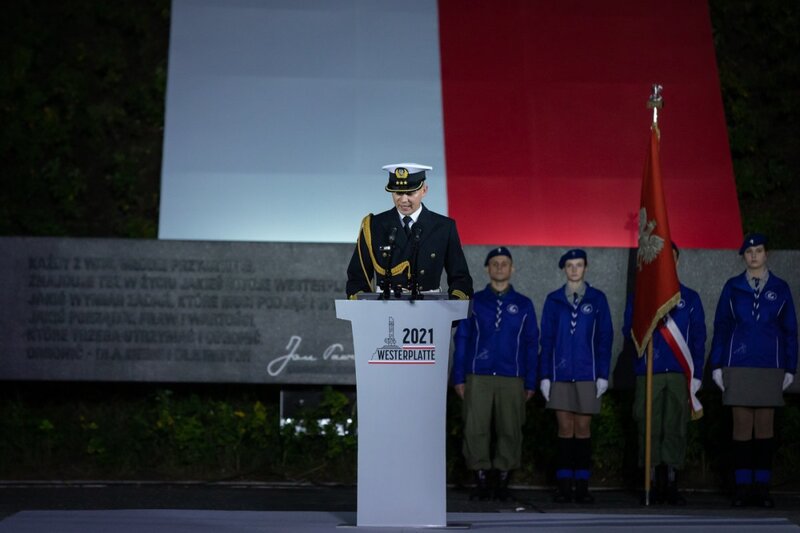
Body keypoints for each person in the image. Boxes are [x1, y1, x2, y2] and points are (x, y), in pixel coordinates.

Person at [710, 233, 797, 508]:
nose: (754, 256)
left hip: (769, 365)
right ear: (744, 257)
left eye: (759, 251)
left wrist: (790, 367)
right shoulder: (733, 287)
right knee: (742, 427)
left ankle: (762, 487)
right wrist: (716, 365)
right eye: (749, 252)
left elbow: (790, 331)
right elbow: (722, 326)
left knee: (764, 428)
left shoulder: (781, 288)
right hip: (738, 364)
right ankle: (742, 487)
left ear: (766, 254)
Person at [451, 247, 539, 501]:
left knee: (510, 429)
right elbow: (463, 339)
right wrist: (459, 376)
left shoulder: (524, 304)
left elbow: (532, 343)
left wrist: (530, 380)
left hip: (512, 376)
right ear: (488, 268)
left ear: (512, 269)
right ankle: (480, 478)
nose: (500, 267)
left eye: (504, 263)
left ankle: (502, 479)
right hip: (478, 375)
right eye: (495, 263)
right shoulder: (475, 302)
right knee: (475, 428)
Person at [622, 242, 706, 505]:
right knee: (649, 425)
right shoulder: (640, 297)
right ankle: (649, 481)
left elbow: (699, 338)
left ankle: (669, 481)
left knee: (674, 426)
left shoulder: (690, 298)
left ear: (677, 262)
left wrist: (697, 373)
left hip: (678, 372)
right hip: (650, 372)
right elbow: (629, 332)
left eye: (672, 258)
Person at [539, 249, 613, 503]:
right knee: (564, 428)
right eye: (569, 265)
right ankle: (564, 484)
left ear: (585, 268)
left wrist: (603, 373)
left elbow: (605, 338)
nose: (574, 269)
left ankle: (581, 483)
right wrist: (545, 375)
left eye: (578, 265)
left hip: (586, 373)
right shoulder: (553, 300)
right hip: (559, 373)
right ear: (564, 269)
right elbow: (546, 339)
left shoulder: (597, 299)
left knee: (582, 428)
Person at [345, 163, 473, 300]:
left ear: (424, 190)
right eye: (398, 193)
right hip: (384, 308)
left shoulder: (444, 227)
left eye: (411, 193)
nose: (404, 200)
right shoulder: (373, 225)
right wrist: (364, 306)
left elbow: (460, 277)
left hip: (430, 309)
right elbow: (358, 277)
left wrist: (453, 305)